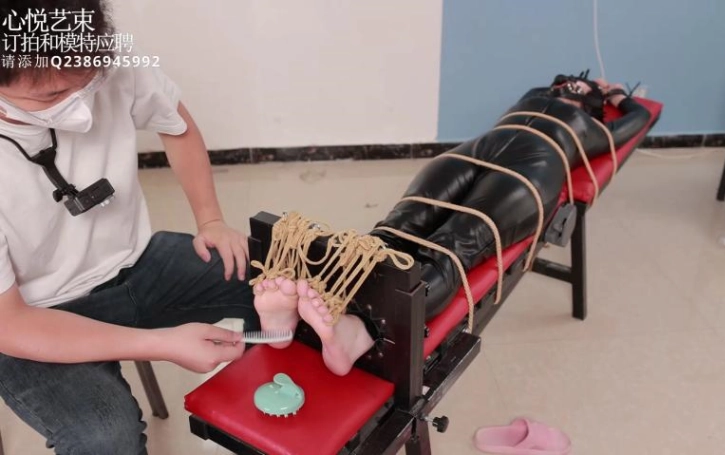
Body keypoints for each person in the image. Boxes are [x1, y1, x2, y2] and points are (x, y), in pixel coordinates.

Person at [0, 1, 270, 453]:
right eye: (51, 96)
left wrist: (211, 219)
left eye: (88, 83)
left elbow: (176, 123)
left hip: (136, 264)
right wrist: (162, 344)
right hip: (35, 315)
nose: (79, 105)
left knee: (276, 280)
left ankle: (280, 413)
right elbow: (10, 324)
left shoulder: (107, 58)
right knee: (106, 439)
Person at [253, 73, 652, 377]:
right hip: (476, 150)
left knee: (452, 245)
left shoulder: (592, 129)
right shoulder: (534, 98)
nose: (575, 85)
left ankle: (360, 333)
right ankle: (301, 316)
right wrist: (577, 86)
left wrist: (616, 94)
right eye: (570, 81)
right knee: (396, 228)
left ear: (598, 105)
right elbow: (550, 85)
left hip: (535, 165)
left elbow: (639, 118)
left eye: (586, 88)